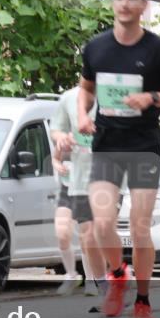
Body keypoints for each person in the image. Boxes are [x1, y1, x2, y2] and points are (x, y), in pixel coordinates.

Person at [78, 0, 160, 318]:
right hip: (107, 144)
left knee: (141, 228)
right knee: (101, 224)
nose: (124, 4)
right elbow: (86, 88)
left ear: (143, 7)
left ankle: (143, 301)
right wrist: (82, 114)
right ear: (113, 3)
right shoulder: (96, 47)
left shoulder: (158, 50)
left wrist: (152, 98)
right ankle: (117, 274)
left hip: (143, 145)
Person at [50, 85, 105, 297]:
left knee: (87, 236)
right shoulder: (69, 133)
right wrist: (59, 165)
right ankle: (71, 275)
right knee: (62, 233)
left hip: (92, 185)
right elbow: (55, 157)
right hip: (67, 186)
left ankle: (91, 280)